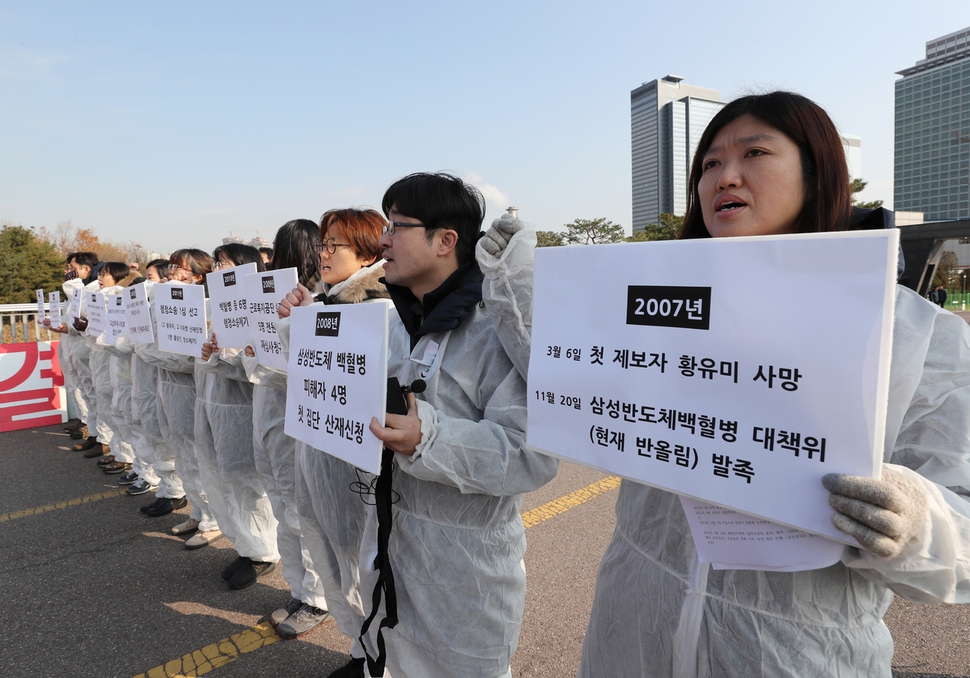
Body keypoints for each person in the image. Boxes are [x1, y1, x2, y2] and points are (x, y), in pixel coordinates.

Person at [564, 91, 970, 677]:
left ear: (817, 173)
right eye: (708, 164)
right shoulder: (653, 319)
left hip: (793, 657)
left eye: (754, 152)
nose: (724, 176)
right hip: (630, 633)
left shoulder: (913, 333)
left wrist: (916, 520)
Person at [358, 173, 559, 678]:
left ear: (446, 241)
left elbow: (532, 454)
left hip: (467, 569)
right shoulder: (392, 321)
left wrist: (432, 438)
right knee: (395, 653)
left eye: (397, 225)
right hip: (392, 539)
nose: (383, 239)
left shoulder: (496, 331)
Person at [277, 209, 390, 655]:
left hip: (362, 466)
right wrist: (297, 322)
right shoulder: (327, 303)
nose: (323, 253)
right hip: (322, 453)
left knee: (369, 563)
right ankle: (361, 649)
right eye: (322, 244)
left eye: (334, 245)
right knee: (335, 554)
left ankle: (376, 654)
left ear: (365, 254)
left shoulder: (382, 308)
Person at [193, 244, 279, 582]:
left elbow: (263, 367)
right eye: (215, 263)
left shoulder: (259, 307)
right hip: (211, 402)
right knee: (223, 478)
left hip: (241, 407)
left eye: (223, 263)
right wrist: (212, 354)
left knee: (247, 482)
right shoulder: (214, 306)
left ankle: (263, 551)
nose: (216, 269)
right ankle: (246, 545)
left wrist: (230, 356)